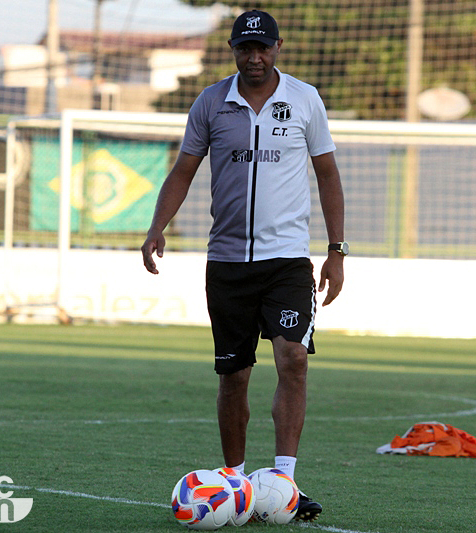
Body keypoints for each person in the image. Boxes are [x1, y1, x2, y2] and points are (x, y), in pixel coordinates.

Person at [141, 9, 346, 522]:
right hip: (228, 262)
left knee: (293, 358)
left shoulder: (305, 99)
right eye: (245, 49)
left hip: (288, 261)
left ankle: (284, 482)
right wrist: (157, 226)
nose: (254, 57)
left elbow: (327, 175)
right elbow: (184, 170)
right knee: (234, 375)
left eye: (263, 48)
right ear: (233, 51)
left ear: (278, 47)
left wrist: (336, 250)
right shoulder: (211, 102)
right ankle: (234, 480)